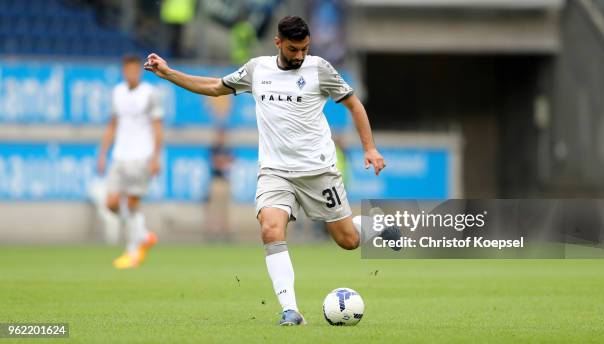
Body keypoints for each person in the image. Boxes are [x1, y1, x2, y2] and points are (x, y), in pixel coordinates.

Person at [144, 16, 387, 325]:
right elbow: (215, 87)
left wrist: (370, 147)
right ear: (277, 43)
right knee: (271, 229)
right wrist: (168, 73)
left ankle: (373, 224)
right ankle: (291, 310)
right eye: (292, 49)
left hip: (318, 171)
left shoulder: (320, 69)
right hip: (275, 171)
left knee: (348, 240)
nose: (299, 55)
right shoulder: (257, 70)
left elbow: (354, 104)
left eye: (304, 49)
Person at [97, 55, 163, 269]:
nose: (132, 74)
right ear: (124, 71)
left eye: (135, 70)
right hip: (119, 155)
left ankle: (132, 251)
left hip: (141, 155)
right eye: (128, 70)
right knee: (111, 203)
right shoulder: (117, 92)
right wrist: (102, 154)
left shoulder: (149, 94)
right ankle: (143, 235)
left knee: (133, 204)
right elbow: (112, 125)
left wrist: (155, 157)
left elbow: (157, 127)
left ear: (140, 72)